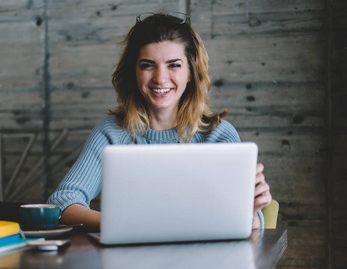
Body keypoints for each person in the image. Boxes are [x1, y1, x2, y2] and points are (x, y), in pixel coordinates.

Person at [47, 12, 272, 232]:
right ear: (134, 72)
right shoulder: (112, 133)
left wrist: (249, 211)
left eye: (174, 65)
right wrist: (122, 225)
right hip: (130, 260)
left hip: (201, 259)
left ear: (191, 72)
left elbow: (252, 223)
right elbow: (62, 203)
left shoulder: (218, 135)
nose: (160, 78)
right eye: (147, 65)